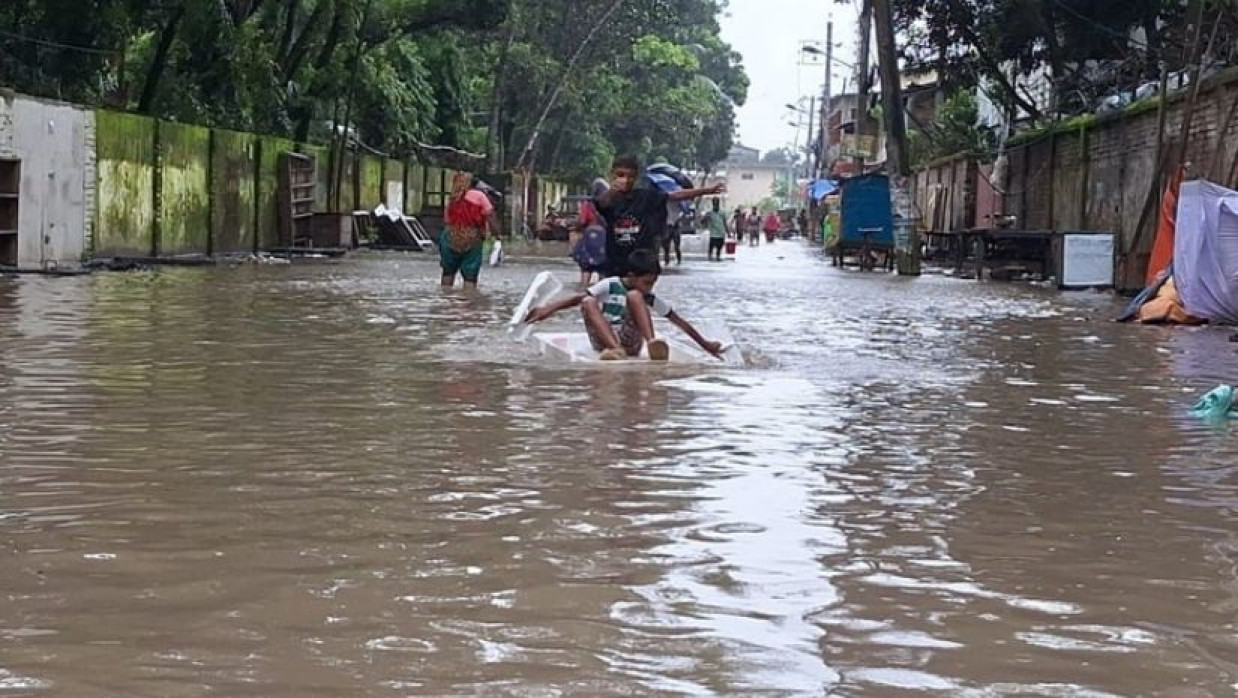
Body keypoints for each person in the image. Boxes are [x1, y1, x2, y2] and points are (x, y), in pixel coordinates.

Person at [525, 249, 723, 362]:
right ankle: (615, 349)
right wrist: (548, 309)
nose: (650, 287)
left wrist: (705, 344)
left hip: (632, 342)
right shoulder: (610, 284)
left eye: (653, 283)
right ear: (630, 276)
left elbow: (677, 320)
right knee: (588, 301)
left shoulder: (646, 296)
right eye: (647, 282)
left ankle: (652, 343)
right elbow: (577, 299)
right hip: (606, 342)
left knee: (636, 296)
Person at [593, 156, 724, 278]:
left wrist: (706, 190)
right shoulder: (608, 200)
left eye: (631, 176)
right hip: (613, 266)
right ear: (612, 176)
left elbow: (675, 195)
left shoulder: (646, 197)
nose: (626, 180)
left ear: (636, 178)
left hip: (639, 267)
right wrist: (612, 191)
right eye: (620, 175)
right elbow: (601, 204)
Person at [441, 172, 494, 289]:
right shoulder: (478, 195)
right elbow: (489, 212)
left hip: (450, 237)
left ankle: (445, 299)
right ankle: (469, 301)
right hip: (472, 237)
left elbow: (446, 219)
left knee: (447, 272)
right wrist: (493, 233)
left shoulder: (452, 197)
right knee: (470, 275)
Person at [572, 178, 610, 287]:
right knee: (603, 273)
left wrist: (576, 226)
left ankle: (582, 295)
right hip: (604, 240)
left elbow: (582, 221)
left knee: (586, 269)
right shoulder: (610, 205)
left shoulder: (588, 204)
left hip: (589, 238)